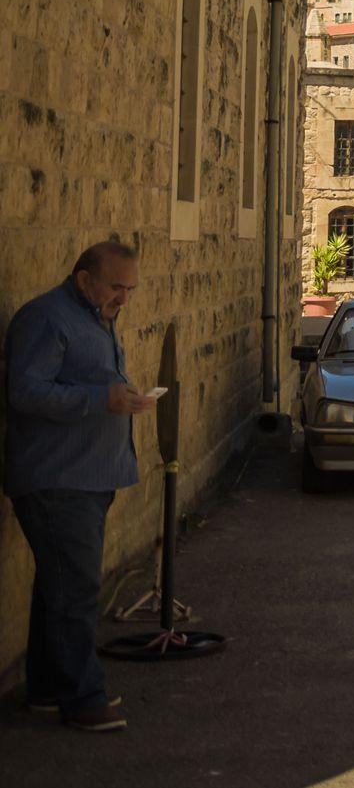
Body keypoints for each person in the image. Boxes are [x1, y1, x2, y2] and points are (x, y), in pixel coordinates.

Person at [4, 240, 154, 732]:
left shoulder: (95, 317)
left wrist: (122, 397)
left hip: (86, 476)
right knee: (77, 590)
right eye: (116, 286)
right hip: (57, 480)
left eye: (129, 289)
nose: (123, 298)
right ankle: (82, 699)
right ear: (84, 278)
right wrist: (100, 398)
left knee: (59, 587)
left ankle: (47, 689)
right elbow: (25, 391)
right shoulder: (47, 318)